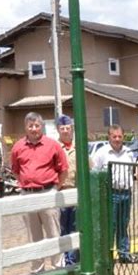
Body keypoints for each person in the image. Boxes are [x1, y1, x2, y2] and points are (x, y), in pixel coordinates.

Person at [11, 111, 68, 273]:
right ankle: (37, 270)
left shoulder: (53, 145)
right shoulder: (18, 147)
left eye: (37, 125)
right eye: (31, 126)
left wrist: (56, 188)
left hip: (48, 192)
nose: (34, 129)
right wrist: (26, 183)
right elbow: (16, 170)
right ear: (25, 127)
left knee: (54, 233)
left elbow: (63, 170)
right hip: (27, 195)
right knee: (33, 237)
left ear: (41, 126)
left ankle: (58, 269)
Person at [92, 124, 137, 263]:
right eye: (114, 136)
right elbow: (94, 173)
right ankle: (108, 255)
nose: (117, 139)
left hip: (126, 193)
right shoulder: (102, 153)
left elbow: (135, 170)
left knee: (123, 225)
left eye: (119, 136)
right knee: (110, 225)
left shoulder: (129, 152)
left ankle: (124, 254)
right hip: (111, 194)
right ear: (109, 137)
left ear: (123, 137)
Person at [56, 114, 78, 266]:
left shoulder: (79, 146)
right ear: (58, 130)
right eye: (62, 128)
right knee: (62, 227)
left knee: (75, 226)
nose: (65, 131)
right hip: (61, 191)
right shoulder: (55, 147)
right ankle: (64, 258)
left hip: (76, 192)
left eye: (68, 128)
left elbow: (89, 167)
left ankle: (72, 258)